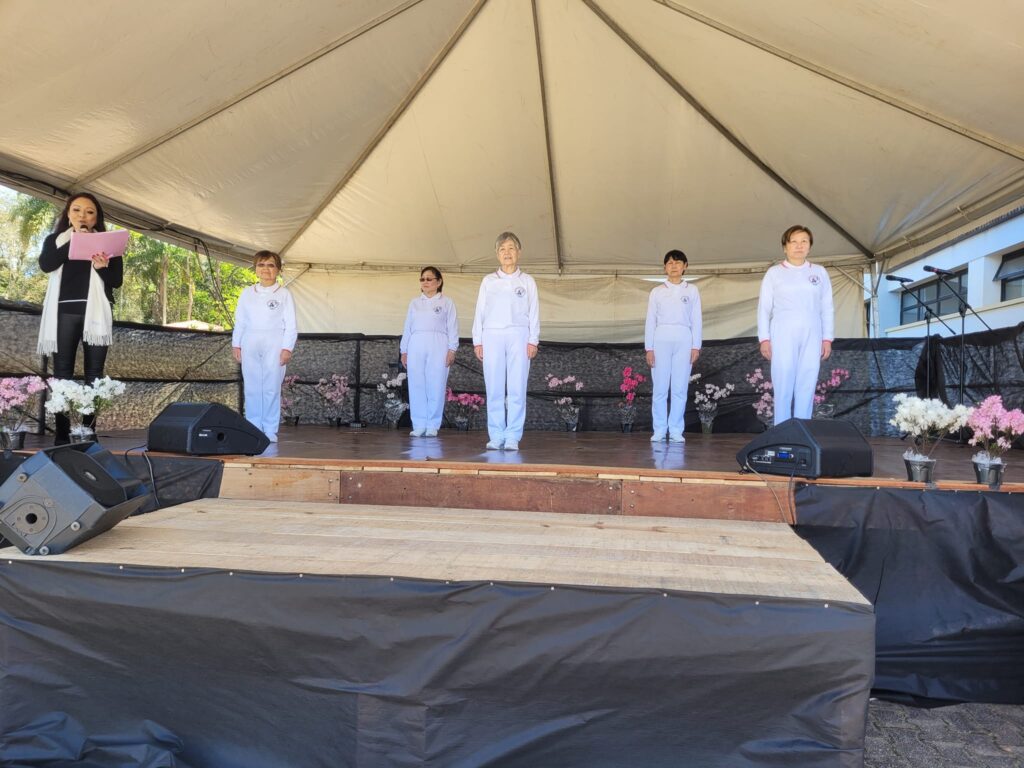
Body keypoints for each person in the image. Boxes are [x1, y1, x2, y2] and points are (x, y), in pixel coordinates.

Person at [37, 192, 123, 444]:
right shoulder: (55, 240)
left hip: (97, 314)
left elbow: (116, 281)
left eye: (89, 212)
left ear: (97, 217)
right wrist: (75, 240)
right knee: (62, 374)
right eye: (77, 210)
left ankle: (88, 431)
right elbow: (47, 265)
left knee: (94, 374)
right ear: (68, 213)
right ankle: (62, 434)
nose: (83, 216)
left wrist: (102, 267)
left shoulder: (109, 244)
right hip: (64, 313)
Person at [757, 225, 834, 424]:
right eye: (794, 242)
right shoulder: (774, 273)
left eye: (804, 242)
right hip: (782, 332)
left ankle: (802, 430)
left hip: (812, 332)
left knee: (807, 381)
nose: (799, 246)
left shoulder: (819, 272)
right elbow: (764, 308)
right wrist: (764, 339)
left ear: (809, 246)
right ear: (785, 247)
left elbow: (827, 307)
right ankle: (782, 430)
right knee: (783, 381)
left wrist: (827, 338)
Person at [472, 231, 540, 451]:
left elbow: (534, 312)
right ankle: (496, 434)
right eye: (502, 249)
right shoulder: (488, 281)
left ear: (519, 252)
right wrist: (478, 341)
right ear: (497, 254)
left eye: (511, 248)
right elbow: (480, 311)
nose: (507, 253)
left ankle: (512, 436)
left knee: (517, 387)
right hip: (492, 335)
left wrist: (533, 340)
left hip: (519, 335)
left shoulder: (527, 281)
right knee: (494, 387)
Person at [232, 251, 298, 443]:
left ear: (278, 269)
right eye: (261, 265)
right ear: (255, 269)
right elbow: (240, 321)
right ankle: (253, 427)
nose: (265, 269)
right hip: (250, 341)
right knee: (252, 387)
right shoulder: (247, 293)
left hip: (274, 341)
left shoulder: (284, 294)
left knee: (271, 387)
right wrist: (236, 344)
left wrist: (287, 348)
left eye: (270, 265)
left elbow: (291, 325)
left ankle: (269, 429)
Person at [645, 249, 702, 443]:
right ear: (664, 267)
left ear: (685, 266)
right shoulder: (657, 292)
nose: (674, 266)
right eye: (670, 263)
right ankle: (660, 429)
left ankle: (676, 430)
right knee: (660, 387)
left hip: (684, 338)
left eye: (678, 262)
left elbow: (696, 319)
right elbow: (650, 321)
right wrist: (649, 348)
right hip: (661, 338)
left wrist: (696, 346)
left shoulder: (691, 290)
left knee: (679, 387)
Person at [401, 266, 459, 437]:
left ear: (438, 282)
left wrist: (452, 349)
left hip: (439, 343)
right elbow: (407, 327)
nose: (425, 282)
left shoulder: (447, 302)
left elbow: (453, 327)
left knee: (436, 383)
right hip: (416, 343)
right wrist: (404, 350)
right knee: (416, 384)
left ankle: (433, 424)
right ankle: (419, 424)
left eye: (429, 279)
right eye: (422, 279)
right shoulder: (414, 303)